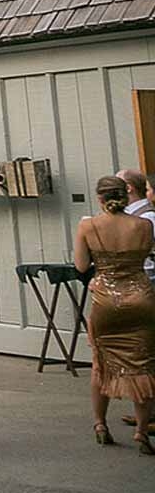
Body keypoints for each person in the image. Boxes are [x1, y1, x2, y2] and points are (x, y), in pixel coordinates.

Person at [74, 176, 155, 453]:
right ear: (125, 195)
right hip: (141, 297)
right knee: (144, 363)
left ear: (100, 198)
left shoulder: (88, 226)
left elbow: (82, 265)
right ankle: (142, 433)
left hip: (107, 300)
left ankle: (100, 424)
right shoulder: (144, 225)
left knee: (101, 363)